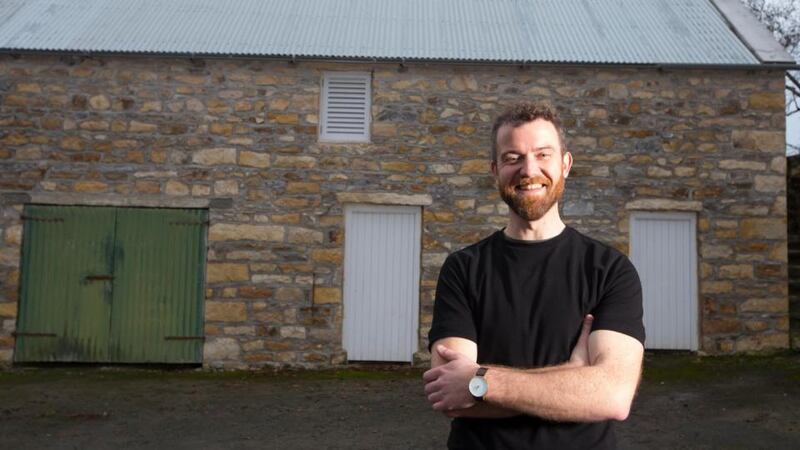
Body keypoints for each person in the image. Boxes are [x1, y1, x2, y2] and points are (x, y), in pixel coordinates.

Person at [423, 102, 645, 449]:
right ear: (495, 170)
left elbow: (612, 396)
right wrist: (573, 380)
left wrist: (480, 382)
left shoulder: (610, 269)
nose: (529, 170)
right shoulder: (463, 268)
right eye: (513, 158)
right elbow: (450, 396)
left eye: (543, 155)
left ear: (565, 164)